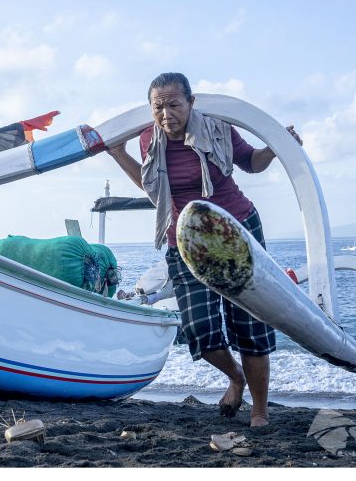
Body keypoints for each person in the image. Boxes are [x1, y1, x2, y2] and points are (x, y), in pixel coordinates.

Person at [106, 72, 302, 428]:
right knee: (199, 329)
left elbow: (251, 162)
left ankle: (259, 411)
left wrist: (276, 147)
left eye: (174, 105)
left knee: (250, 324)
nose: (166, 114)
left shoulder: (218, 127)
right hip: (185, 238)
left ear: (191, 102)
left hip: (237, 229)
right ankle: (236, 377)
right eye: (158, 107)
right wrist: (118, 153)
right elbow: (153, 187)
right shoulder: (149, 138)